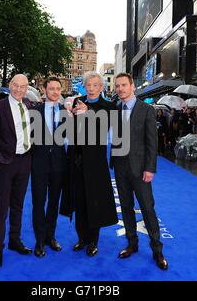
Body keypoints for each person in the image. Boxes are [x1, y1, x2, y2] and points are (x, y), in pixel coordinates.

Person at [110, 73, 168, 270]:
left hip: (140, 169)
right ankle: (132, 244)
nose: (120, 89)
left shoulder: (146, 109)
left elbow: (152, 142)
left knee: (147, 209)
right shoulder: (115, 110)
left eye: (124, 85)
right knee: (125, 208)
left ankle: (157, 250)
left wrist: (150, 168)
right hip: (120, 167)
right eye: (117, 86)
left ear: (132, 86)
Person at [60, 72, 118, 257]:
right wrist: (67, 113)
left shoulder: (109, 106)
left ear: (101, 87)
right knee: (79, 200)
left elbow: (104, 129)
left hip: (95, 162)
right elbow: (68, 130)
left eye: (95, 85)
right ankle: (82, 238)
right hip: (76, 160)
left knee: (94, 201)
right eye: (88, 85)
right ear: (84, 86)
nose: (91, 88)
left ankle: (93, 241)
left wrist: (89, 113)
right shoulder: (77, 101)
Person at [0, 74, 33, 268]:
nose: (19, 89)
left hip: (25, 161)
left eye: (23, 86)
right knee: (1, 206)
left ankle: (15, 240)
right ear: (10, 85)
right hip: (6, 162)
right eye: (15, 85)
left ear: (26, 88)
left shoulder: (29, 106)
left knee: (18, 205)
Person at [30, 77, 66, 258]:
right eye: (51, 88)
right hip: (39, 164)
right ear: (44, 90)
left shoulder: (66, 112)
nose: (55, 92)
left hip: (59, 165)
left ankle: (50, 237)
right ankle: (39, 240)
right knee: (38, 203)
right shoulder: (34, 111)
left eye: (58, 89)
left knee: (53, 203)